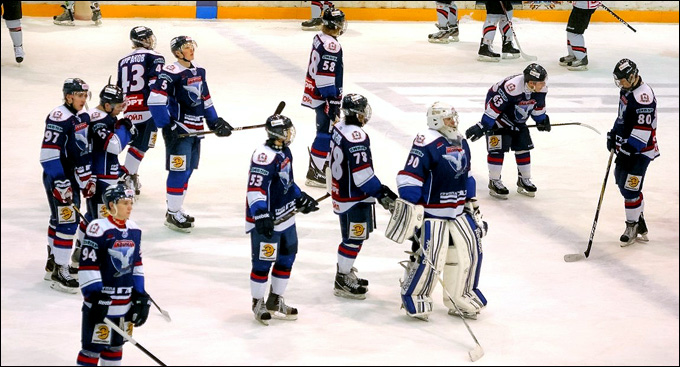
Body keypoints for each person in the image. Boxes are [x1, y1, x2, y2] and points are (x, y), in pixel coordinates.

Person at [389, 102, 487, 320]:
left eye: (454, 118)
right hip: (433, 213)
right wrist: (411, 204)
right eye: (448, 119)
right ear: (436, 121)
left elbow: (467, 175)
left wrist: (471, 202)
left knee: (471, 253)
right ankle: (415, 296)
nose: (454, 122)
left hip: (458, 211)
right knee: (431, 259)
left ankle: (461, 295)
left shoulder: (461, 141)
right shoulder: (426, 142)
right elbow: (410, 176)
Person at [148, 35, 234, 233]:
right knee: (178, 170)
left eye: (191, 46)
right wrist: (166, 126)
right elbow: (154, 100)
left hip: (195, 131)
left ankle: (176, 209)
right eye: (187, 47)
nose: (191, 49)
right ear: (177, 52)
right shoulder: (170, 73)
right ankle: (172, 212)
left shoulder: (198, 71)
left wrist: (215, 121)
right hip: (180, 131)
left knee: (188, 170)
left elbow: (205, 99)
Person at [245, 114, 319, 325]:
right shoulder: (263, 156)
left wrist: (300, 197)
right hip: (267, 219)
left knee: (287, 258)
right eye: (287, 130)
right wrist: (261, 214)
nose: (290, 133)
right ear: (278, 133)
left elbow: (287, 182)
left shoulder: (285, 151)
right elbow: (255, 189)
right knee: (262, 262)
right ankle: (257, 302)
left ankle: (275, 300)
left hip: (286, 216)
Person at [328, 94, 397, 300]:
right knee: (353, 238)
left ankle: (345, 270)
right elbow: (363, 177)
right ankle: (342, 278)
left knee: (350, 237)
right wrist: (382, 193)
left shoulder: (339, 127)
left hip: (342, 191)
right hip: (354, 197)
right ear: (358, 114)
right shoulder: (356, 136)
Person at [76, 184, 151, 366]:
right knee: (91, 350)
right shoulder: (98, 228)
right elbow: (88, 264)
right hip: (101, 303)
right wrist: (95, 295)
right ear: (111, 205)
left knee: (115, 348)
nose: (129, 207)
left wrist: (140, 294)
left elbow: (137, 264)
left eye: (130, 202)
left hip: (124, 304)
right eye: (125, 203)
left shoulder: (134, 230)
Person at [73, 82, 136, 273]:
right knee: (102, 219)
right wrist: (125, 130)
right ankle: (94, 260)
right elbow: (114, 146)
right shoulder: (100, 120)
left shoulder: (99, 116)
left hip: (102, 174)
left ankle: (80, 251)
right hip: (100, 177)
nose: (120, 110)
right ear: (107, 105)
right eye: (117, 107)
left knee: (93, 216)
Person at [465, 63, 551, 199]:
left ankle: (524, 179)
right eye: (541, 82)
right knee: (497, 147)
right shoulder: (512, 87)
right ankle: (494, 181)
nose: (544, 85)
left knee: (523, 146)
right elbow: (494, 108)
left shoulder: (540, 89)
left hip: (517, 117)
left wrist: (541, 120)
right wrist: (484, 125)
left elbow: (537, 106)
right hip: (499, 117)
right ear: (531, 83)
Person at [40, 77, 94, 293]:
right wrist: (61, 181)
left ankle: (52, 263)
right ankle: (60, 271)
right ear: (69, 96)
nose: (83, 99)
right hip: (59, 178)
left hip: (71, 176)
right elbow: (48, 155)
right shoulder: (58, 116)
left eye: (85, 95)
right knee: (68, 223)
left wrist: (86, 177)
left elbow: (81, 150)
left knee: (58, 220)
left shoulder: (81, 116)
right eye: (79, 95)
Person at [607, 59, 659, 247]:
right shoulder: (627, 90)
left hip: (641, 152)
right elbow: (622, 116)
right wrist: (613, 134)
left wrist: (628, 150)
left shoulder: (643, 97)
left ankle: (632, 225)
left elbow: (643, 131)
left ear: (633, 76)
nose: (620, 83)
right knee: (621, 181)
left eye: (623, 79)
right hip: (626, 148)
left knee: (630, 188)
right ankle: (638, 216)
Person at [117, 26, 165, 196]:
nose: (151, 40)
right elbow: (155, 85)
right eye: (149, 38)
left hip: (128, 108)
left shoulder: (123, 60)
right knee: (142, 144)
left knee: (138, 142)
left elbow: (119, 87)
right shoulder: (156, 57)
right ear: (144, 40)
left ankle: (132, 173)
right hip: (147, 108)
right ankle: (125, 175)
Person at [301, 6, 346, 188]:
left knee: (324, 130)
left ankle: (320, 165)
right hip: (324, 96)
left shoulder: (320, 38)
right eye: (341, 22)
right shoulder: (332, 45)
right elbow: (325, 76)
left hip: (315, 92)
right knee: (325, 132)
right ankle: (316, 171)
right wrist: (332, 101)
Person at [559, 1, 601, 71]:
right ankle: (573, 55)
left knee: (574, 33)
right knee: (570, 31)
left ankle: (581, 59)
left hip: (584, 7)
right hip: (580, 5)